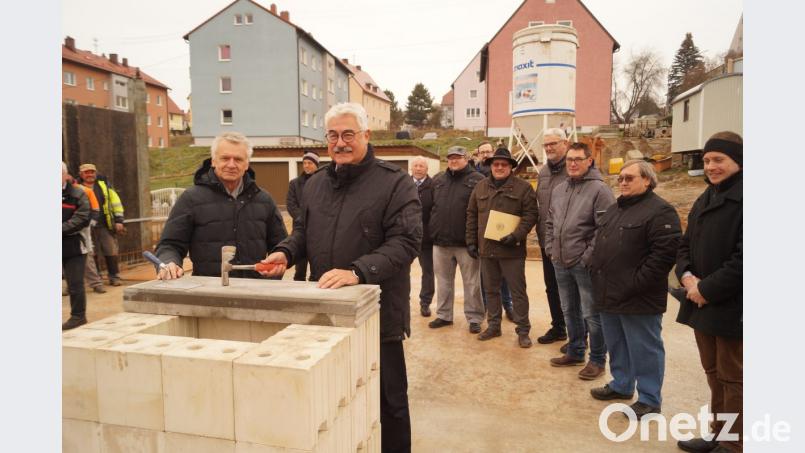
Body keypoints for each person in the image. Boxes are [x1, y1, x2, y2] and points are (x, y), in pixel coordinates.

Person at [261, 103, 420, 453]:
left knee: (389, 400)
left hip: (379, 313)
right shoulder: (314, 185)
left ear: (366, 135)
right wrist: (285, 253)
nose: (340, 142)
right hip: (328, 309)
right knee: (336, 395)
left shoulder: (395, 183)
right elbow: (303, 232)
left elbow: (406, 242)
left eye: (348, 134)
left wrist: (358, 271)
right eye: (333, 135)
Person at [589, 160, 681, 420]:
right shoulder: (616, 207)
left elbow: (663, 256)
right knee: (617, 344)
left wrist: (634, 284)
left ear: (648, 181)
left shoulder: (660, 211)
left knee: (644, 348)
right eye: (620, 178)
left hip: (638, 296)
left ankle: (650, 399)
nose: (623, 182)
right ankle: (621, 385)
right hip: (608, 293)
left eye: (630, 178)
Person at [675, 132, 743, 453]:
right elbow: (684, 245)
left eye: (719, 160)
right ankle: (719, 434)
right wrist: (688, 278)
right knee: (713, 372)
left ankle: (735, 444)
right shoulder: (707, 197)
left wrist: (706, 289)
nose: (711, 166)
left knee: (734, 379)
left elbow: (745, 260)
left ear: (738, 162)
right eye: (706, 161)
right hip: (702, 303)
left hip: (734, 307)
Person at [154, 131, 288, 280]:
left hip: (255, 292)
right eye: (225, 158)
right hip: (208, 293)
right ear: (213, 161)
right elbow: (169, 244)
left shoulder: (264, 200)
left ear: (247, 164)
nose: (231, 164)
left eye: (238, 159)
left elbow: (281, 245)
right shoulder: (191, 199)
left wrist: (278, 266)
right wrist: (169, 262)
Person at [545, 142, 615, 380]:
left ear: (589, 161)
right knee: (569, 310)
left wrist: (587, 257)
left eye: (578, 159)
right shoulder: (559, 189)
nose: (572, 164)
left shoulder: (600, 190)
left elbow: (604, 230)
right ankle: (575, 351)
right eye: (569, 160)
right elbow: (550, 222)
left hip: (584, 265)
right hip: (560, 260)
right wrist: (550, 248)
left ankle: (597, 360)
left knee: (591, 315)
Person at [466, 148, 538, 348]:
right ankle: (494, 326)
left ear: (511, 167)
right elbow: (471, 215)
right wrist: (471, 241)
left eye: (503, 164)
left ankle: (523, 330)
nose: (499, 167)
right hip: (487, 249)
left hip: (512, 251)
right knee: (491, 290)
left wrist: (516, 235)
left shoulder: (523, 188)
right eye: (496, 164)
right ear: (491, 166)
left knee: (518, 292)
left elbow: (531, 215)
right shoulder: (480, 187)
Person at [427, 146, 485, 332]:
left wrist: (476, 241)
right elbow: (430, 208)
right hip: (440, 242)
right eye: (450, 157)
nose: (453, 160)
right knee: (443, 282)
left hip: (466, 244)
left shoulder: (478, 180)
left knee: (472, 283)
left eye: (457, 157)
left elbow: (482, 212)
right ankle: (444, 316)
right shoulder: (438, 180)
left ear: (466, 159)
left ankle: (475, 318)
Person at [534, 129, 570, 346]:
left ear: (565, 143)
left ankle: (578, 334)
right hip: (546, 241)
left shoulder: (574, 169)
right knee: (552, 287)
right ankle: (558, 327)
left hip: (569, 243)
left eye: (553, 144)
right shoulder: (543, 172)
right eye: (546, 145)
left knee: (572, 290)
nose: (549, 148)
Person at [476, 140, 515, 319]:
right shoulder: (475, 177)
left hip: (504, 233)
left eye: (488, 151)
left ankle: (508, 306)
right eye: (482, 152)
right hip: (483, 236)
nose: (485, 154)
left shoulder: (508, 178)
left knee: (506, 278)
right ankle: (488, 309)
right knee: (486, 279)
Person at [78, 163, 125, 286]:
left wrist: (119, 220)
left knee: (111, 251)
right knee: (91, 253)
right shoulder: (77, 188)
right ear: (81, 174)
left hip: (105, 225)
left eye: (92, 172)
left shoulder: (104, 186)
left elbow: (116, 202)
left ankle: (114, 276)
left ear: (96, 173)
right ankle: (97, 278)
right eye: (86, 172)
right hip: (86, 227)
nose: (90, 175)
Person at [62, 162, 91, 330]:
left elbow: (82, 218)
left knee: (75, 283)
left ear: (66, 175)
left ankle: (78, 316)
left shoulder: (77, 193)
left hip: (74, 245)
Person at [287, 150, 320, 281]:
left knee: (316, 266)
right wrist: (303, 219)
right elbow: (291, 204)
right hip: (300, 230)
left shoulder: (323, 182)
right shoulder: (294, 183)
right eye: (304, 163)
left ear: (316, 164)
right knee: (300, 267)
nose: (306, 165)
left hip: (318, 230)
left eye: (310, 163)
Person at [73, 177, 107, 294]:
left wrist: (90, 223)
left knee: (87, 253)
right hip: (65, 228)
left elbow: (95, 208)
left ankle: (96, 283)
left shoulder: (85, 190)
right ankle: (70, 284)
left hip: (82, 227)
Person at [411, 156, 435, 317]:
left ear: (427, 169)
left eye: (422, 166)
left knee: (428, 271)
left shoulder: (433, 186)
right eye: (416, 166)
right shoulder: (403, 184)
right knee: (400, 271)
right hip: (406, 236)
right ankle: (400, 301)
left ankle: (425, 303)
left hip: (427, 237)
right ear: (411, 168)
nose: (419, 168)